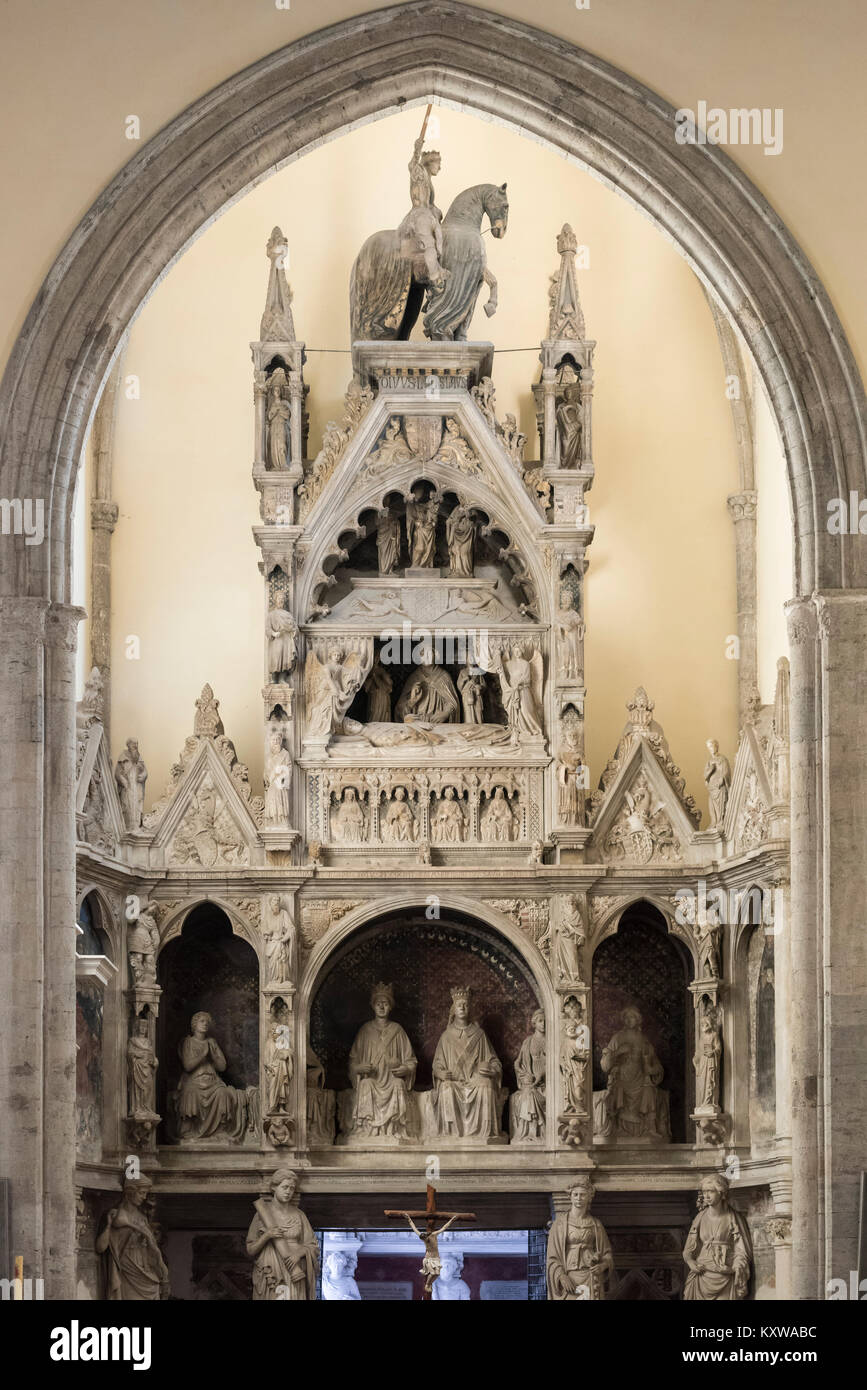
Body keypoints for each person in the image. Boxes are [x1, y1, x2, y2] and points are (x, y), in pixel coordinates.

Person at [427, 986, 503, 1138]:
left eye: (465, 1004)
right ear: (453, 1009)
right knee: (447, 1087)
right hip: (454, 1081)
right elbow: (437, 1064)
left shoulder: (479, 1035)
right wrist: (441, 1073)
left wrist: (491, 1070)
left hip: (475, 1081)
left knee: (486, 1084)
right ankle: (451, 1134)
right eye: (458, 1004)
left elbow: (495, 1062)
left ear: (470, 1009)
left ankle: (484, 1133)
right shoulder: (446, 1036)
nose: (462, 1007)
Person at [345, 982, 417, 1139]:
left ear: (390, 1006)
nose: (382, 1007)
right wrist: (359, 1068)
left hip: (391, 1080)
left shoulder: (398, 1030)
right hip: (373, 1079)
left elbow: (411, 1060)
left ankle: (393, 1129)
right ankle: (368, 1130)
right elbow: (353, 1061)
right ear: (373, 1006)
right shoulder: (365, 1031)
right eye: (378, 1003)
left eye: (385, 1003)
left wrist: (405, 1069)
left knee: (398, 1084)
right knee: (366, 1084)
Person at [246, 1168, 319, 1300]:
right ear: (274, 1187)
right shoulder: (261, 1215)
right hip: (271, 1270)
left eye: (292, 1188)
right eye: (285, 1187)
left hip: (295, 1270)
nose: (288, 1192)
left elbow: (313, 1246)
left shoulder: (299, 1215)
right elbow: (251, 1249)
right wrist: (267, 1236)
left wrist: (298, 1254)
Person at [176, 1011, 247, 1141]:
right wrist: (203, 1054)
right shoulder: (189, 1042)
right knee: (191, 1092)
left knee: (223, 1093)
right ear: (194, 1024)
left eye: (207, 1022)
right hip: (195, 1080)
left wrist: (213, 1055)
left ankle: (219, 1130)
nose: (205, 1024)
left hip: (213, 1082)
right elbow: (187, 1066)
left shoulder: (212, 1042)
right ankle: (191, 1128)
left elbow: (222, 1067)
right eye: (202, 1021)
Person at [96, 1176, 169, 1301]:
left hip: (142, 1264)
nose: (144, 1197)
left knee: (154, 1285)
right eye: (141, 1193)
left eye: (145, 1193)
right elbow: (100, 1248)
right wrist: (108, 1225)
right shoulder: (115, 1214)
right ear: (130, 1192)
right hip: (127, 1264)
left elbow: (150, 1245)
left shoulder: (142, 1217)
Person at [683, 1175, 752, 1300]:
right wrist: (690, 1262)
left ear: (721, 1193)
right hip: (701, 1274)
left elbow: (741, 1251)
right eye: (704, 1192)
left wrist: (737, 1267)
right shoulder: (700, 1218)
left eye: (711, 1191)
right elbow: (688, 1249)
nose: (707, 1196)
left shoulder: (734, 1218)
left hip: (725, 1274)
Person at [546, 1178, 615, 1301]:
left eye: (583, 1195)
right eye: (575, 1194)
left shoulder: (596, 1224)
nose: (578, 1198)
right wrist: (561, 1276)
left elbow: (607, 1254)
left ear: (589, 1198)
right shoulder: (560, 1224)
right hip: (570, 1277)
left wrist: (603, 1266)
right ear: (570, 1197)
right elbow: (552, 1258)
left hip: (591, 1277)